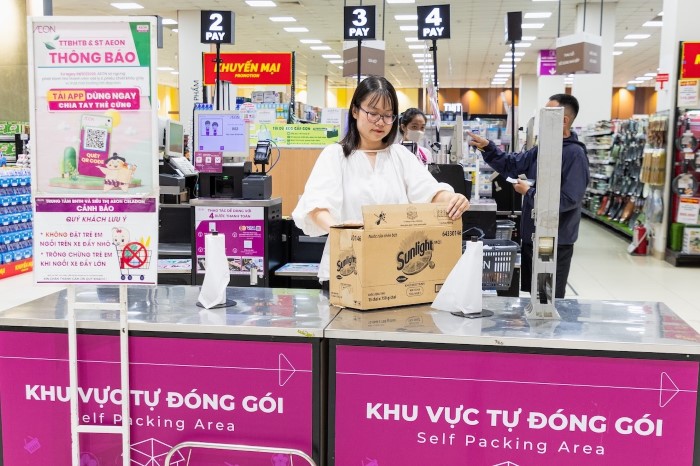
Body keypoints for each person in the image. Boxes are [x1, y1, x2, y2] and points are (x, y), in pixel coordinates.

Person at [292, 76, 470, 283]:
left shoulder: (401, 156)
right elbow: (316, 207)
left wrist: (452, 198)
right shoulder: (335, 155)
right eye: (373, 113)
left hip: (397, 269)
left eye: (387, 115)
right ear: (355, 111)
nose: (380, 122)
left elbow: (430, 192)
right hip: (347, 266)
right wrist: (340, 229)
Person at [467, 94, 589, 299]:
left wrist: (529, 192)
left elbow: (569, 199)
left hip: (554, 240)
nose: (542, 120)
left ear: (563, 120)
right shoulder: (544, 149)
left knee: (547, 296)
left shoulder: (574, 154)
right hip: (535, 235)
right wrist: (488, 147)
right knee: (536, 293)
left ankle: (545, 320)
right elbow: (512, 164)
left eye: (547, 114)